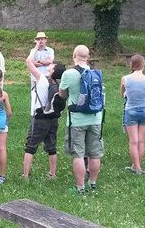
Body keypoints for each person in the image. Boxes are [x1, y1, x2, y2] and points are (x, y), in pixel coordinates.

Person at [58, 45, 103, 195]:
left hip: (76, 120)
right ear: (88, 57)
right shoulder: (96, 73)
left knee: (78, 154)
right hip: (96, 118)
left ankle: (80, 186)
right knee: (94, 153)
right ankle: (93, 182)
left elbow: (62, 94)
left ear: (74, 55)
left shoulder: (69, 73)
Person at [23, 56, 66, 180]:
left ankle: (25, 175)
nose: (49, 65)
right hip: (53, 118)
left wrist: (36, 46)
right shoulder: (58, 85)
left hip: (39, 118)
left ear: (52, 71)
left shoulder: (42, 79)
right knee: (51, 146)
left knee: (30, 145)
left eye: (51, 66)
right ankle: (52, 174)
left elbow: (28, 62)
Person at [120, 54, 145, 174]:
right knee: (141, 141)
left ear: (132, 64)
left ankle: (136, 167)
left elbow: (122, 93)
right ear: (143, 64)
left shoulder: (125, 79)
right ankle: (137, 165)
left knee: (133, 141)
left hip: (131, 110)